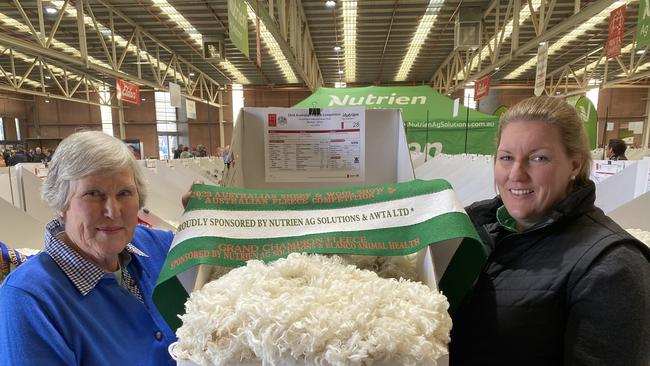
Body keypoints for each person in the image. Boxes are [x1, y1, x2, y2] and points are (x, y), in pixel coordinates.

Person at [450, 96, 650, 366]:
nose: (517, 174)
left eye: (538, 158)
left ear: (574, 165)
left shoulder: (611, 266)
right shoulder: (470, 227)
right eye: (506, 157)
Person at [0, 131, 190, 365]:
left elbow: (228, 274)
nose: (113, 211)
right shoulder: (30, 300)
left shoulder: (155, 246)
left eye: (124, 193)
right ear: (61, 203)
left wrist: (201, 220)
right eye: (93, 194)